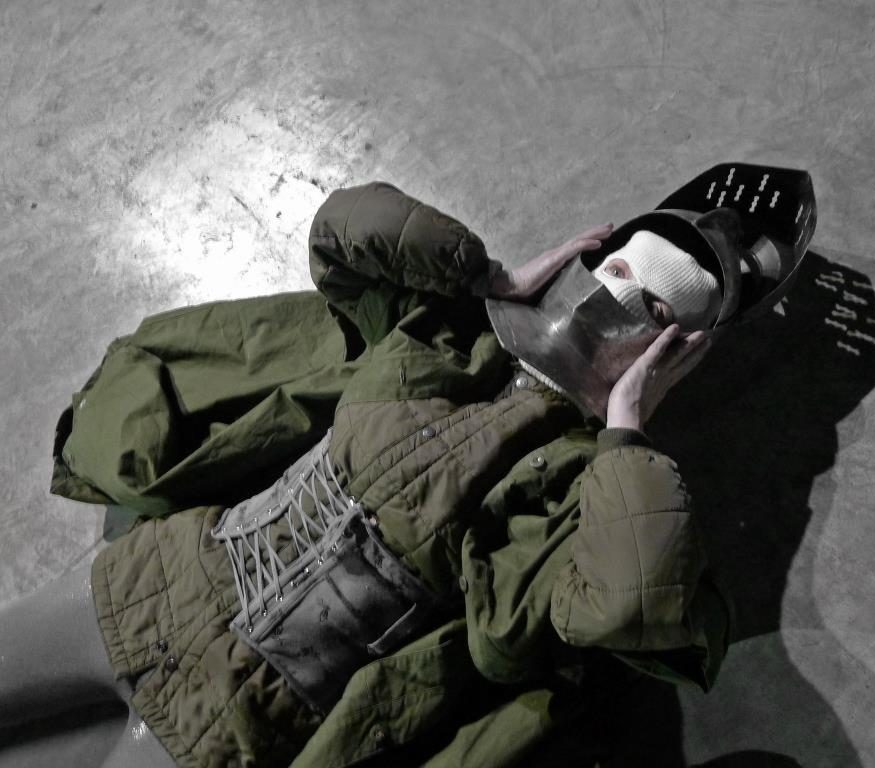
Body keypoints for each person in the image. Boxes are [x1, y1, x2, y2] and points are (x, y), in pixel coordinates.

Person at [1, 165, 814, 767]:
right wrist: (482, 277)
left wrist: (626, 435)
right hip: (145, 586)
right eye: (620, 272)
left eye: (655, 310)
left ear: (677, 353)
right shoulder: (449, 335)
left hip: (235, 723)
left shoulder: (578, 485)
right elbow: (347, 229)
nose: (615, 302)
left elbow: (628, 607)